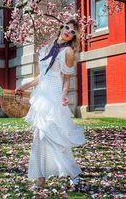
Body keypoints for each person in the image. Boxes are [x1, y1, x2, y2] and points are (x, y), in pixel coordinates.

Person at [15, 20, 86, 190]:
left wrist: (63, 96)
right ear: (61, 28)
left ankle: (72, 174)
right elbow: (42, 76)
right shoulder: (48, 47)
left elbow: (67, 79)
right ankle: (42, 179)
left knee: (52, 138)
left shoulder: (68, 51)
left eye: (73, 31)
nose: (69, 31)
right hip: (42, 95)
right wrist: (23, 87)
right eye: (67, 27)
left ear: (74, 37)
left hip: (54, 96)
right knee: (40, 138)